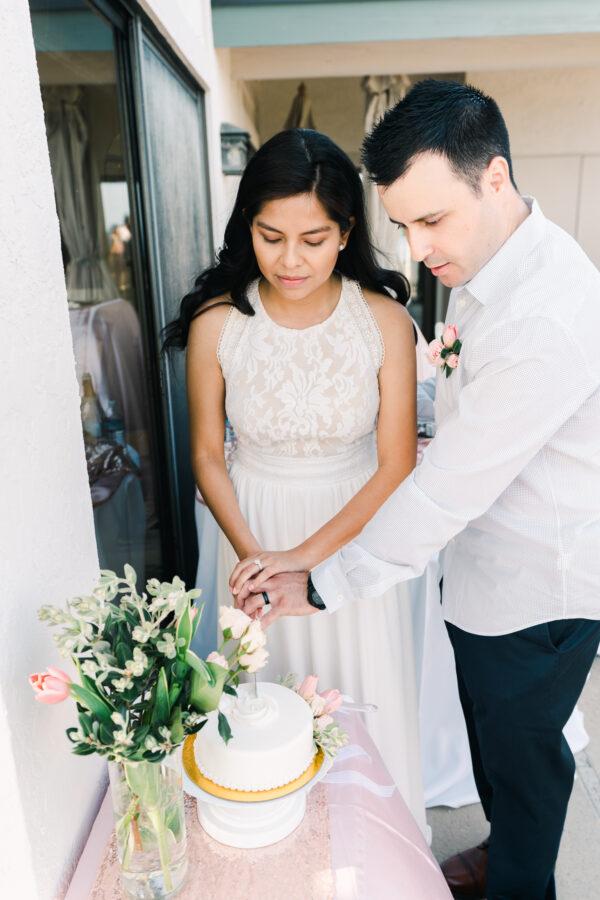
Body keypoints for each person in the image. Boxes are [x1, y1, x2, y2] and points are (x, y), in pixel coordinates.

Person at [233, 81, 600, 900]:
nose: (419, 245)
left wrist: (320, 586)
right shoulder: (491, 260)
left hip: (535, 595)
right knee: (492, 749)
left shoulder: (545, 315)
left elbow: (444, 493)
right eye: (403, 225)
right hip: (481, 576)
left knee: (526, 767)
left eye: (432, 220)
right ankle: (500, 855)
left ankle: (519, 884)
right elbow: (465, 393)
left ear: (494, 178)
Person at [163, 128, 427, 832]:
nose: (290, 259)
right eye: (270, 236)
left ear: (346, 233)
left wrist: (302, 562)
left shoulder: (384, 322)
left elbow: (397, 462)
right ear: (246, 226)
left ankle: (375, 846)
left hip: (354, 528)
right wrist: (257, 559)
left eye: (313, 239)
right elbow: (207, 455)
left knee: (362, 691)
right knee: (259, 708)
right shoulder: (219, 323)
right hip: (249, 524)